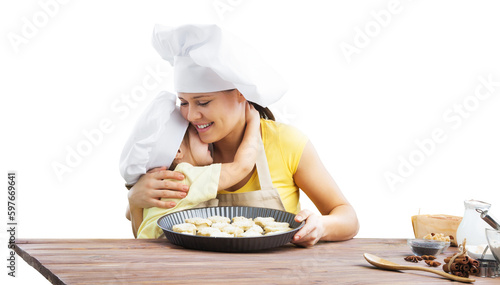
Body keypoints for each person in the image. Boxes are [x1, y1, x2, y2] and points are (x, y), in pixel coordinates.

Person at [125, 24, 359, 247]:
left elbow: (348, 218)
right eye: (184, 102)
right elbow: (147, 235)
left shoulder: (286, 143)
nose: (191, 115)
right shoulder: (182, 149)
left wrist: (321, 226)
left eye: (203, 102)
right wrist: (134, 200)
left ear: (240, 94)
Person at [121, 91, 261, 238]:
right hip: (171, 252)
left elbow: (129, 214)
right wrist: (253, 122)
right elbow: (242, 166)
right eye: (195, 132)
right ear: (178, 152)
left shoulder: (158, 182)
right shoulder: (186, 176)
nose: (205, 138)